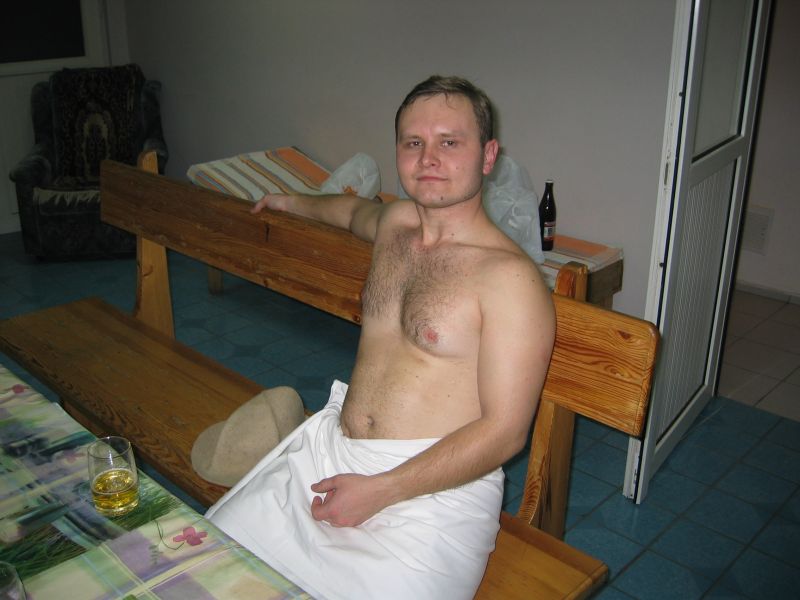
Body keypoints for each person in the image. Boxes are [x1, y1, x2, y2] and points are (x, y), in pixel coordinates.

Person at [206, 75, 556, 599]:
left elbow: (505, 433)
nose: (428, 158)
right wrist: (290, 201)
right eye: (413, 142)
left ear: (488, 156)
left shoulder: (510, 281)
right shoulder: (396, 223)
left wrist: (382, 491)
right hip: (330, 456)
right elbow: (351, 212)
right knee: (208, 565)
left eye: (449, 142)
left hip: (432, 500)